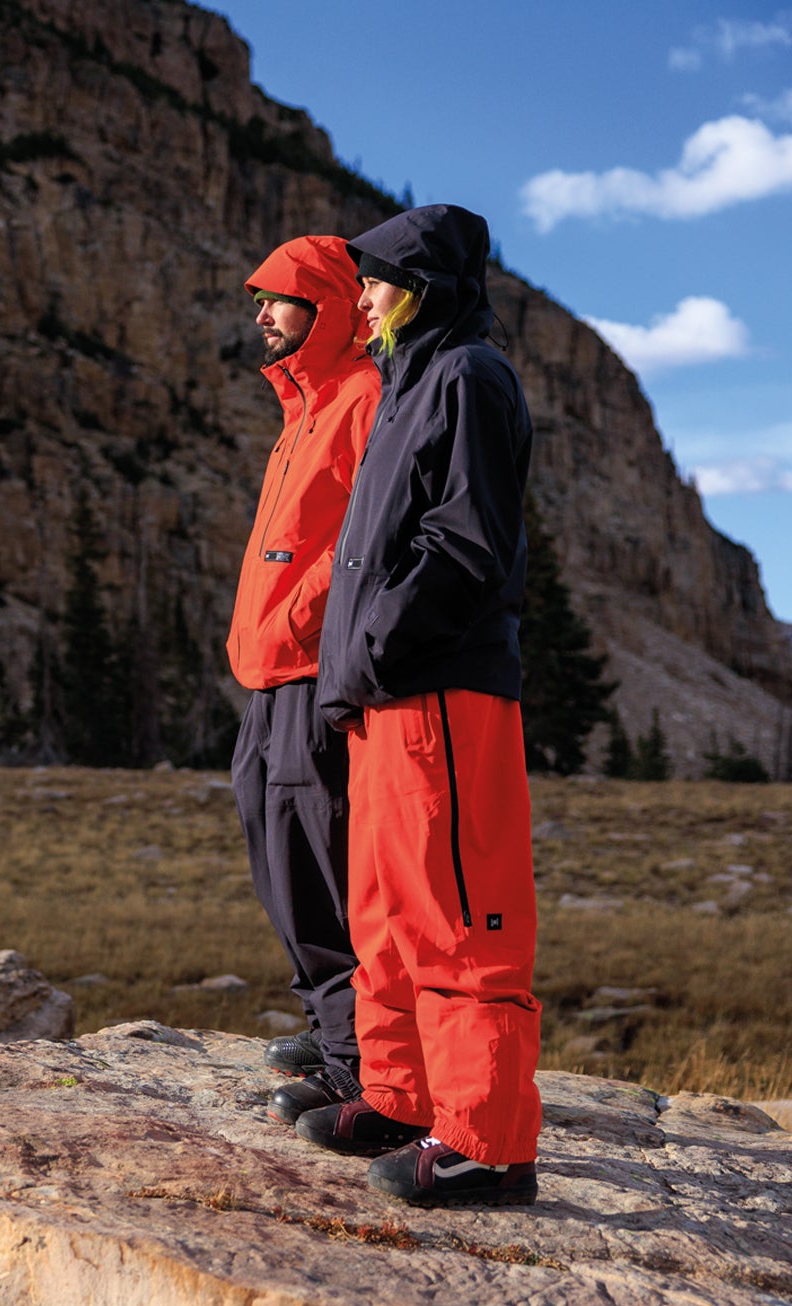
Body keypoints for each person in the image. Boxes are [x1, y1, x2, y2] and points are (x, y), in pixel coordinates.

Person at [294, 204, 542, 1207]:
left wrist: (380, 639)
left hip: (441, 686)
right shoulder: (402, 386)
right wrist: (350, 665)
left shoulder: (467, 376)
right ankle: (400, 1095)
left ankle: (485, 1140)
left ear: (426, 284)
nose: (358, 297)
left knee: (454, 918)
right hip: (386, 698)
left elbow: (468, 541)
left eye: (376, 278)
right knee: (385, 911)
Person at [224, 236, 380, 1126]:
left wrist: (296, 621)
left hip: (311, 665)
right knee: (273, 836)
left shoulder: (363, 397)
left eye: (277, 299)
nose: (261, 316)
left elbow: (364, 541)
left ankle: (359, 1058)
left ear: (323, 304)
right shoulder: (304, 407)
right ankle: (331, 1027)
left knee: (318, 851)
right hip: (270, 670)